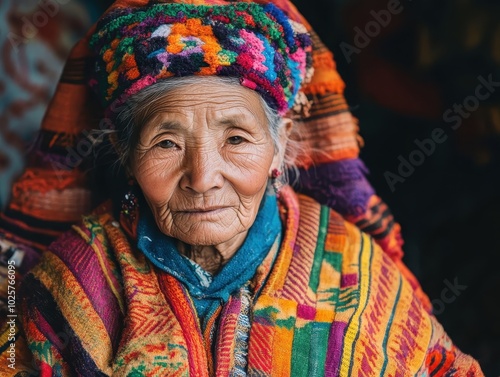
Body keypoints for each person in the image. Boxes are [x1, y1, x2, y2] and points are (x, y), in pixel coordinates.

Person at [0, 0, 484, 375]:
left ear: (280, 148)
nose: (204, 176)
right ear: (127, 156)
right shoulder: (74, 273)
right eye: (167, 143)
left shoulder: (356, 269)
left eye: (236, 138)